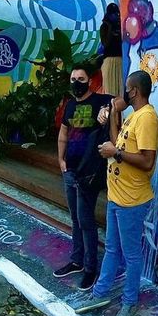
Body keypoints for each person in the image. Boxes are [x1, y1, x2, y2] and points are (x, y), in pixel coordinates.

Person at [75, 70, 158, 316]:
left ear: (134, 91)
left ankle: (129, 301)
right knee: (112, 248)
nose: (124, 92)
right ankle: (100, 293)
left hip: (132, 199)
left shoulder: (147, 118)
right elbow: (116, 143)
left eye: (126, 88)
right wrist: (112, 114)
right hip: (116, 195)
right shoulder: (133, 116)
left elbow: (147, 161)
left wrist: (115, 153)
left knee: (131, 255)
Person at [54, 66, 112, 291]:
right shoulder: (69, 105)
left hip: (89, 172)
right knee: (75, 219)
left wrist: (109, 109)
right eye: (73, 79)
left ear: (89, 81)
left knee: (86, 220)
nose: (76, 82)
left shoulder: (100, 100)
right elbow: (63, 133)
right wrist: (61, 160)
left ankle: (90, 268)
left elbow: (121, 101)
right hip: (70, 170)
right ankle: (77, 260)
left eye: (81, 78)